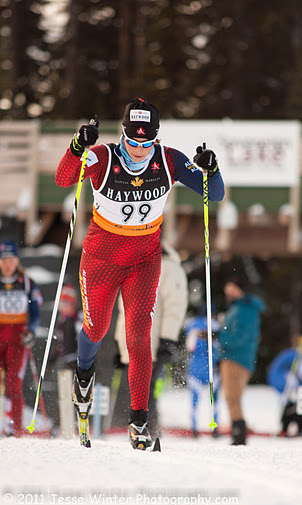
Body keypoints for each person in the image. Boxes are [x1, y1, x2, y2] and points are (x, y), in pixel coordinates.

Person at [55, 97, 224, 449]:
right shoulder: (104, 157)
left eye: (146, 143)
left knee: (139, 336)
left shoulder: (168, 160)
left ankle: (139, 422)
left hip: (144, 261)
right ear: (122, 134)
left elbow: (215, 193)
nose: (137, 150)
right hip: (101, 259)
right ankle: (83, 374)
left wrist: (211, 168)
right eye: (132, 141)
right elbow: (63, 178)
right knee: (97, 327)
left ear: (156, 139)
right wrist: (77, 146)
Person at [113, 241, 188, 436]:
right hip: (132, 341)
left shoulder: (169, 267)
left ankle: (150, 430)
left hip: (152, 343)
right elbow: (124, 309)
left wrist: (167, 339)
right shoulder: (133, 266)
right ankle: (140, 429)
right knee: (137, 390)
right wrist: (119, 343)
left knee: (146, 391)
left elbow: (175, 306)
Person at [0, 240, 42, 436]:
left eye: (11, 259)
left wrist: (31, 331)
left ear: (17, 260)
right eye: (4, 259)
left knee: (14, 384)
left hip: (17, 340)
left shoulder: (26, 282)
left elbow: (35, 312)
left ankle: (15, 427)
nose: (7, 264)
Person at [218, 275, 265, 445]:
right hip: (235, 358)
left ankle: (239, 434)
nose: (227, 292)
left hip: (236, 359)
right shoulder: (239, 308)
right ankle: (238, 433)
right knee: (232, 397)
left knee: (233, 397)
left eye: (232, 288)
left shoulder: (243, 310)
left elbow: (239, 338)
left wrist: (219, 336)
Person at [45, 283, 80, 434]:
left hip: (75, 362)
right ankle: (60, 423)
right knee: (63, 393)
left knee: (76, 394)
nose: (64, 307)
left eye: (67, 303)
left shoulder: (77, 318)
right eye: (62, 303)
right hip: (63, 362)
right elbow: (58, 343)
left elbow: (82, 341)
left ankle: (77, 423)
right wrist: (49, 362)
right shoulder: (61, 320)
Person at [185, 308, 220, 437]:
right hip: (210, 368)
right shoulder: (214, 325)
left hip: (196, 368)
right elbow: (219, 344)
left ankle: (194, 429)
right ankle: (214, 427)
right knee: (214, 401)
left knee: (195, 401)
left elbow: (190, 346)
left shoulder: (192, 326)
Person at [267, 335, 302, 436]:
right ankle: (292, 426)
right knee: (293, 402)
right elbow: (301, 374)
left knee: (291, 401)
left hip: (281, 380)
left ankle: (289, 426)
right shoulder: (298, 357)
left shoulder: (293, 354)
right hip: (284, 381)